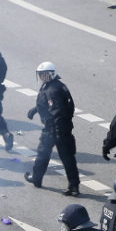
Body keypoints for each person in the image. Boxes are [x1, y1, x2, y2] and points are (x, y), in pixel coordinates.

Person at [25, 62, 80, 196]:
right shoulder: (56, 86)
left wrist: (56, 130)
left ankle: (37, 179)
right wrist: (36, 109)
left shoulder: (52, 90)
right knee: (68, 158)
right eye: (40, 75)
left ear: (52, 74)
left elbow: (56, 110)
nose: (43, 77)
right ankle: (74, 185)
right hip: (63, 127)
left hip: (54, 129)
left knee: (43, 154)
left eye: (45, 75)